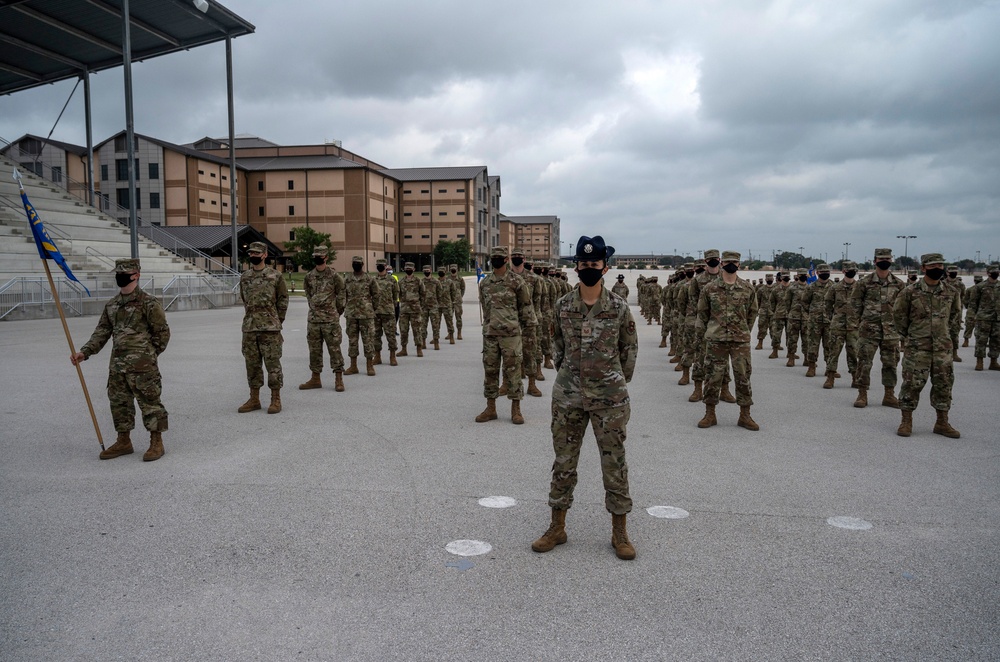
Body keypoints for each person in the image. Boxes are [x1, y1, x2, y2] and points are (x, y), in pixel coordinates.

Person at [531, 235, 638, 561]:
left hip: (610, 399)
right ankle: (557, 527)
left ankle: (620, 532)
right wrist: (573, 378)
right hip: (569, 397)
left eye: (594, 264)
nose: (588, 268)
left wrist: (614, 380)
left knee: (614, 464)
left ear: (605, 267)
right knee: (564, 463)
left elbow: (629, 350)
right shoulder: (562, 305)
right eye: (584, 263)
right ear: (576, 265)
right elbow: (556, 347)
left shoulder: (618, 308)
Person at [72, 258, 170, 461]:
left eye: (124, 273)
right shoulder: (112, 305)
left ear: (136, 275)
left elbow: (162, 334)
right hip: (117, 366)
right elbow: (102, 332)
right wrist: (85, 352)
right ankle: (124, 441)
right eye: (118, 273)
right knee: (119, 404)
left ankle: (156, 442)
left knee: (150, 404)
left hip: (143, 368)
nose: (120, 276)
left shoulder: (149, 303)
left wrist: (148, 355)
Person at [893, 253, 962, 438]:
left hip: (942, 349)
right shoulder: (910, 292)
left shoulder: (951, 292)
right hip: (917, 348)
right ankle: (906, 421)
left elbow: (955, 317)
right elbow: (899, 316)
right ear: (923, 268)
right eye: (933, 266)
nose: (938, 269)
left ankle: (942, 422)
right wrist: (911, 337)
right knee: (911, 385)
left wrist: (948, 339)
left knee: (944, 385)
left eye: (940, 265)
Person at [696, 251, 759, 431]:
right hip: (716, 339)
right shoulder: (710, 288)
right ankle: (710, 413)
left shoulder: (747, 289)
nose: (731, 264)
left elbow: (752, 313)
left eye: (735, 262)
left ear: (739, 265)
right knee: (712, 376)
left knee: (743, 376)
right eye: (728, 262)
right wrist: (705, 334)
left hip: (740, 340)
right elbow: (702, 313)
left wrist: (744, 330)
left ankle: (745, 415)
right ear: (722, 263)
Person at [476, 246, 534, 425]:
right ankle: (490, 408)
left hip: (511, 335)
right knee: (490, 371)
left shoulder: (516, 281)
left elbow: (525, 307)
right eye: (493, 257)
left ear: (506, 259)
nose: (496, 260)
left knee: (513, 371)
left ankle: (516, 409)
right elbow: (486, 309)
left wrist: (527, 333)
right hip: (491, 334)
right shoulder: (485, 283)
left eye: (499, 257)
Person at [237, 241, 288, 414]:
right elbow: (245, 300)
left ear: (265, 255)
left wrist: (276, 320)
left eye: (257, 253)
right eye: (251, 253)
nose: (253, 256)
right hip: (250, 328)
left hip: (270, 329)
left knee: (273, 365)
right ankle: (254, 398)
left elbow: (283, 300)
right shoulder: (245, 277)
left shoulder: (275, 276)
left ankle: (275, 398)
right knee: (252, 365)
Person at [852, 248, 905, 408]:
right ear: (875, 261)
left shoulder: (899, 284)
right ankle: (862, 394)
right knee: (864, 363)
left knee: (891, 363)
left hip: (891, 332)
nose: (885, 262)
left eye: (888, 259)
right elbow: (855, 305)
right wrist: (861, 323)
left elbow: (903, 309)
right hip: (869, 330)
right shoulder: (864, 283)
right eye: (881, 259)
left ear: (891, 261)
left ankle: (889, 395)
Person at [299, 246, 346, 392]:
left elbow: (342, 294)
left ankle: (338, 379)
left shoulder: (334, 276)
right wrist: (313, 307)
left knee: (334, 349)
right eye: (315, 256)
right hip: (314, 320)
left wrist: (336, 311)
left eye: (320, 256)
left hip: (330, 320)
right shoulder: (309, 276)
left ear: (326, 257)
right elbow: (308, 294)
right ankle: (315, 378)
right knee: (314, 350)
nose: (318, 258)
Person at [510, 248, 542, 397]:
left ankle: (532, 384)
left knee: (530, 352)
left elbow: (537, 300)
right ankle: (508, 384)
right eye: (514, 256)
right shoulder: (506, 277)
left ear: (524, 259)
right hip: (510, 321)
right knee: (510, 354)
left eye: (519, 256)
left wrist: (534, 317)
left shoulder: (534, 278)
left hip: (528, 321)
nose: (517, 258)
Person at [823, 261, 859, 389]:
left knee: (854, 353)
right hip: (837, 325)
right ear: (843, 271)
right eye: (849, 270)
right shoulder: (835, 288)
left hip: (854, 327)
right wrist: (832, 319)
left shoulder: (860, 287)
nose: (851, 272)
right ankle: (830, 378)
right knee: (834, 352)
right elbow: (827, 305)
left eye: (854, 270)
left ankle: (855, 378)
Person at [344, 255, 378, 376]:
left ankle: (370, 366)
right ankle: (353, 366)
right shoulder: (347, 279)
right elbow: (344, 295)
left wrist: (371, 308)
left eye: (358, 263)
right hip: (351, 314)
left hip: (366, 315)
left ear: (362, 265)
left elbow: (376, 295)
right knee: (352, 340)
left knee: (368, 340)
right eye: (354, 263)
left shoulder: (369, 279)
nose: (356, 265)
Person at [802, 264, 834, 377]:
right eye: (822, 271)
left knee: (829, 346)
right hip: (814, 321)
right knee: (812, 344)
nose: (825, 273)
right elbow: (805, 302)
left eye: (827, 271)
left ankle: (830, 368)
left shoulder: (834, 286)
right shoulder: (811, 287)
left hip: (829, 321)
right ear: (818, 273)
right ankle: (811, 367)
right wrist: (812, 314)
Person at [969, 263, 999, 371]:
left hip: (997, 319)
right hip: (983, 318)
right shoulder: (980, 287)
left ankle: (993, 362)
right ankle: (979, 362)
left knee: (996, 341)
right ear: (988, 273)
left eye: (997, 271)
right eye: (993, 272)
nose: (996, 273)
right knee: (981, 340)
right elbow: (973, 304)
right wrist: (972, 316)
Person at [372, 258, 400, 366]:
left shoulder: (392, 280)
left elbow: (396, 294)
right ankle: (377, 356)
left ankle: (392, 356)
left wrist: (392, 306)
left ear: (385, 266)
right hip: (376, 312)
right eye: (378, 265)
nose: (379, 266)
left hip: (388, 311)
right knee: (376, 335)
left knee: (391, 335)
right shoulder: (373, 280)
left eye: (381, 265)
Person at [397, 262, 425, 357]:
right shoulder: (401, 282)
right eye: (406, 268)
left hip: (415, 310)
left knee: (417, 330)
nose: (408, 269)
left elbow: (423, 294)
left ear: (414, 269)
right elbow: (398, 294)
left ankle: (419, 348)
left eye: (410, 268)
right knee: (403, 330)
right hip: (404, 310)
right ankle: (404, 349)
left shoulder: (418, 281)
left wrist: (419, 305)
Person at [420, 265, 442, 351]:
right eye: (425, 270)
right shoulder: (421, 282)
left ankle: (436, 342)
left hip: (434, 307)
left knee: (435, 325)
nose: (426, 272)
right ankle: (423, 342)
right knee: (423, 325)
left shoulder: (436, 282)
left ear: (431, 271)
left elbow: (440, 294)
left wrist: (437, 304)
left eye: (427, 270)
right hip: (424, 307)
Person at [436, 265, 456, 344]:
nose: (441, 273)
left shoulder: (449, 282)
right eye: (439, 271)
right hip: (437, 305)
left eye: (442, 271)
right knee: (436, 322)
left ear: (445, 272)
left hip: (447, 305)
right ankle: (436, 337)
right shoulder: (436, 281)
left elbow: (453, 293)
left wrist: (451, 301)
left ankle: (451, 336)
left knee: (449, 322)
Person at [755, 274, 774, 350]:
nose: (769, 280)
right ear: (765, 280)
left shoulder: (776, 289)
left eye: (771, 278)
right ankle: (760, 343)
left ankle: (775, 344)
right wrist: (757, 311)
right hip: (763, 311)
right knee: (761, 327)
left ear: (773, 279)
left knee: (774, 329)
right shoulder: (761, 290)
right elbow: (758, 301)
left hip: (773, 312)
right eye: (768, 278)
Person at [448, 264, 466, 340]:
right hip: (449, 301)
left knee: (458, 317)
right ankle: (450, 333)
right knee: (449, 317)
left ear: (457, 270)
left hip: (457, 301)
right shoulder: (447, 279)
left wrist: (460, 296)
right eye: (452, 269)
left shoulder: (460, 279)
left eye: (454, 269)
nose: (453, 270)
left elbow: (463, 289)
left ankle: (459, 333)